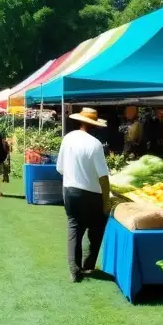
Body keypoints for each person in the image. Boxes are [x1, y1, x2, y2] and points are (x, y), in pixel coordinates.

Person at [56, 108, 111, 283]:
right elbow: (103, 176)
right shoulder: (95, 144)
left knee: (74, 228)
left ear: (80, 122)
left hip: (70, 189)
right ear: (94, 126)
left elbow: (60, 168)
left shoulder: (68, 138)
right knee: (96, 228)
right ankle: (88, 264)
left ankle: (74, 268)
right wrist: (106, 201)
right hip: (91, 193)